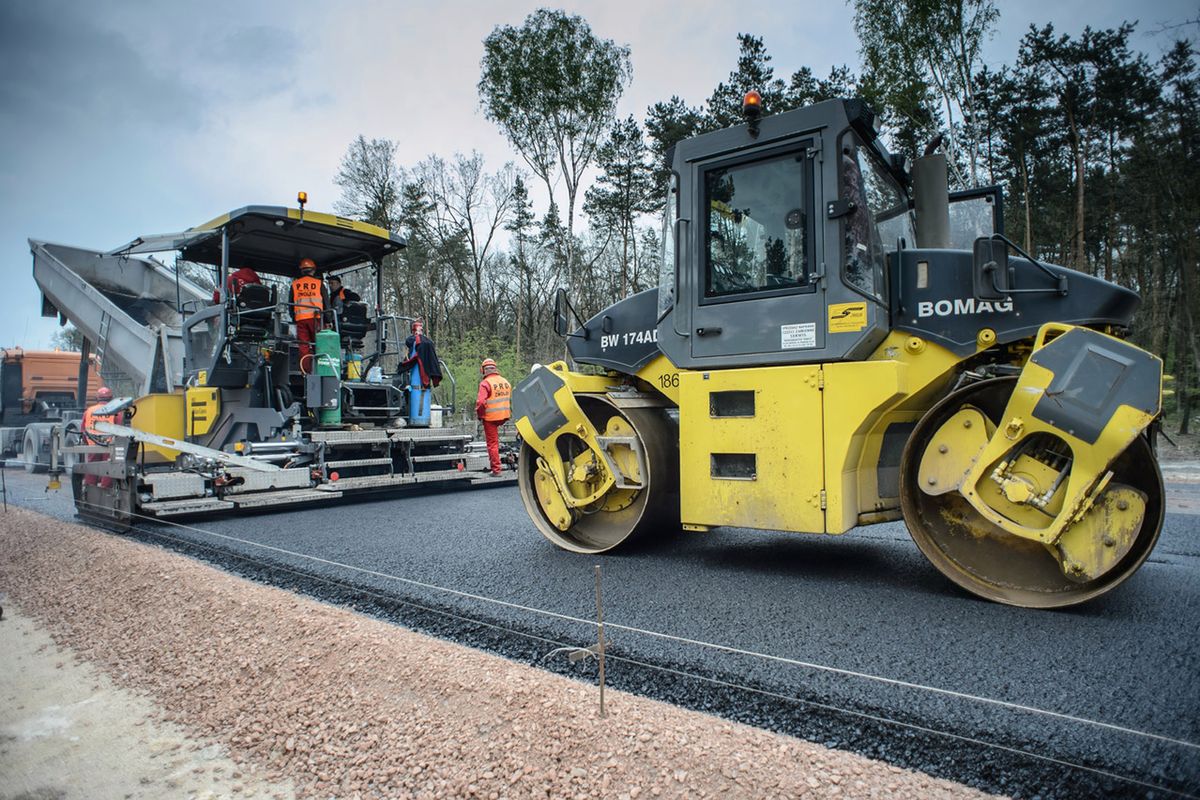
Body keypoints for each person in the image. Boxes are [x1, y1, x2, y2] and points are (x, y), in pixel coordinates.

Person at [290, 258, 329, 371]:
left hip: (301, 319)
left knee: (304, 346)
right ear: (313, 270)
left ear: (302, 271)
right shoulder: (319, 283)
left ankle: (305, 371)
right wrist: (328, 319)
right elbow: (326, 303)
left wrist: (294, 318)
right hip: (316, 318)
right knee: (319, 344)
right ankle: (321, 369)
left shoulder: (295, 284)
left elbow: (290, 304)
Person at [475, 358, 511, 476]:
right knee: (496, 442)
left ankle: (496, 470)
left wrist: (480, 415)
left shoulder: (485, 383)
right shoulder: (505, 381)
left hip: (490, 418)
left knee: (492, 444)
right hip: (504, 416)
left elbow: (481, 402)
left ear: (483, 370)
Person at [81, 386, 117, 488]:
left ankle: (89, 490)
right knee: (108, 467)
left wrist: (86, 443)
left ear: (97, 398)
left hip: (93, 444)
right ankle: (105, 489)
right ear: (111, 398)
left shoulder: (89, 411)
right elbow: (120, 429)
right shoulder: (116, 411)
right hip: (109, 445)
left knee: (92, 467)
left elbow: (83, 429)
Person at [399, 320, 442, 388]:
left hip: (421, 381)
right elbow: (409, 341)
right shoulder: (424, 342)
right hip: (421, 381)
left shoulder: (421, 342)